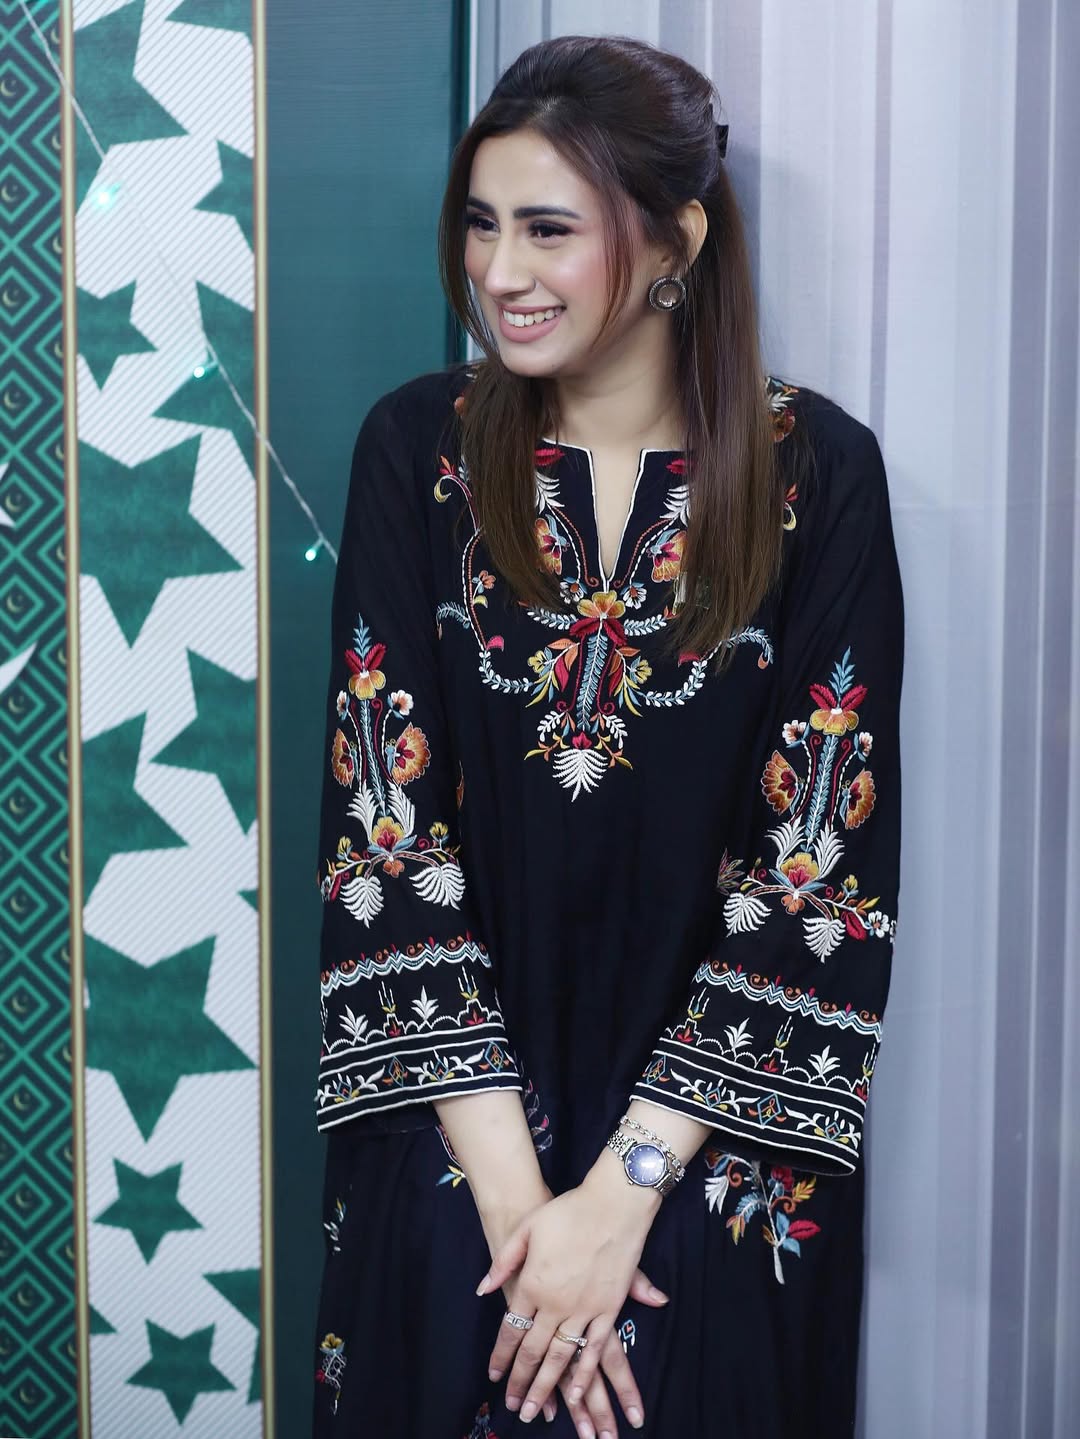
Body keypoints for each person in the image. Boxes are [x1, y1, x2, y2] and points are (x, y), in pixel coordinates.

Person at [311, 33, 903, 1439]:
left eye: (548, 229)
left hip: (714, 1164)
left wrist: (622, 1199)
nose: (500, 271)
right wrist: (530, 1224)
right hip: (458, 1153)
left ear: (677, 242)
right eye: (481, 224)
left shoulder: (819, 476)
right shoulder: (420, 452)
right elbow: (385, 843)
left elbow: (818, 874)